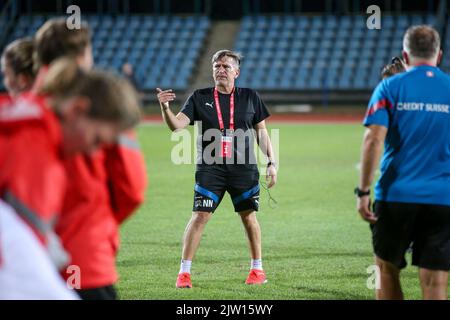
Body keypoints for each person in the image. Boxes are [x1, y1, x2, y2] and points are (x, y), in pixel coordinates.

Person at [0, 58, 141, 299]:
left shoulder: (23, 119)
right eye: (96, 140)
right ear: (77, 110)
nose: (92, 153)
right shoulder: (37, 156)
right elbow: (18, 265)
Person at [31, 18, 147, 300]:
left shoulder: (19, 108)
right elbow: (131, 189)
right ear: (84, 53)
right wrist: (95, 226)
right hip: (85, 259)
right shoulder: (104, 106)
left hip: (25, 263)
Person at [156, 49, 277, 288]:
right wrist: (165, 109)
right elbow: (177, 126)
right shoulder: (199, 97)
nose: (220, 70)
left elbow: (261, 132)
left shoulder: (250, 97)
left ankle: (257, 270)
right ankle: (184, 273)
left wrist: (272, 162)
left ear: (237, 72)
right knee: (199, 216)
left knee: (248, 217)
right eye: (217, 67)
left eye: (226, 66)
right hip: (210, 169)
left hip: (244, 169)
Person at [356, 25, 450, 300]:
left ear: (405, 57)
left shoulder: (389, 86)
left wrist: (363, 192)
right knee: (435, 283)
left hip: (396, 195)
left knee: (386, 272)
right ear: (439, 55)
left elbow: (373, 140)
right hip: (442, 198)